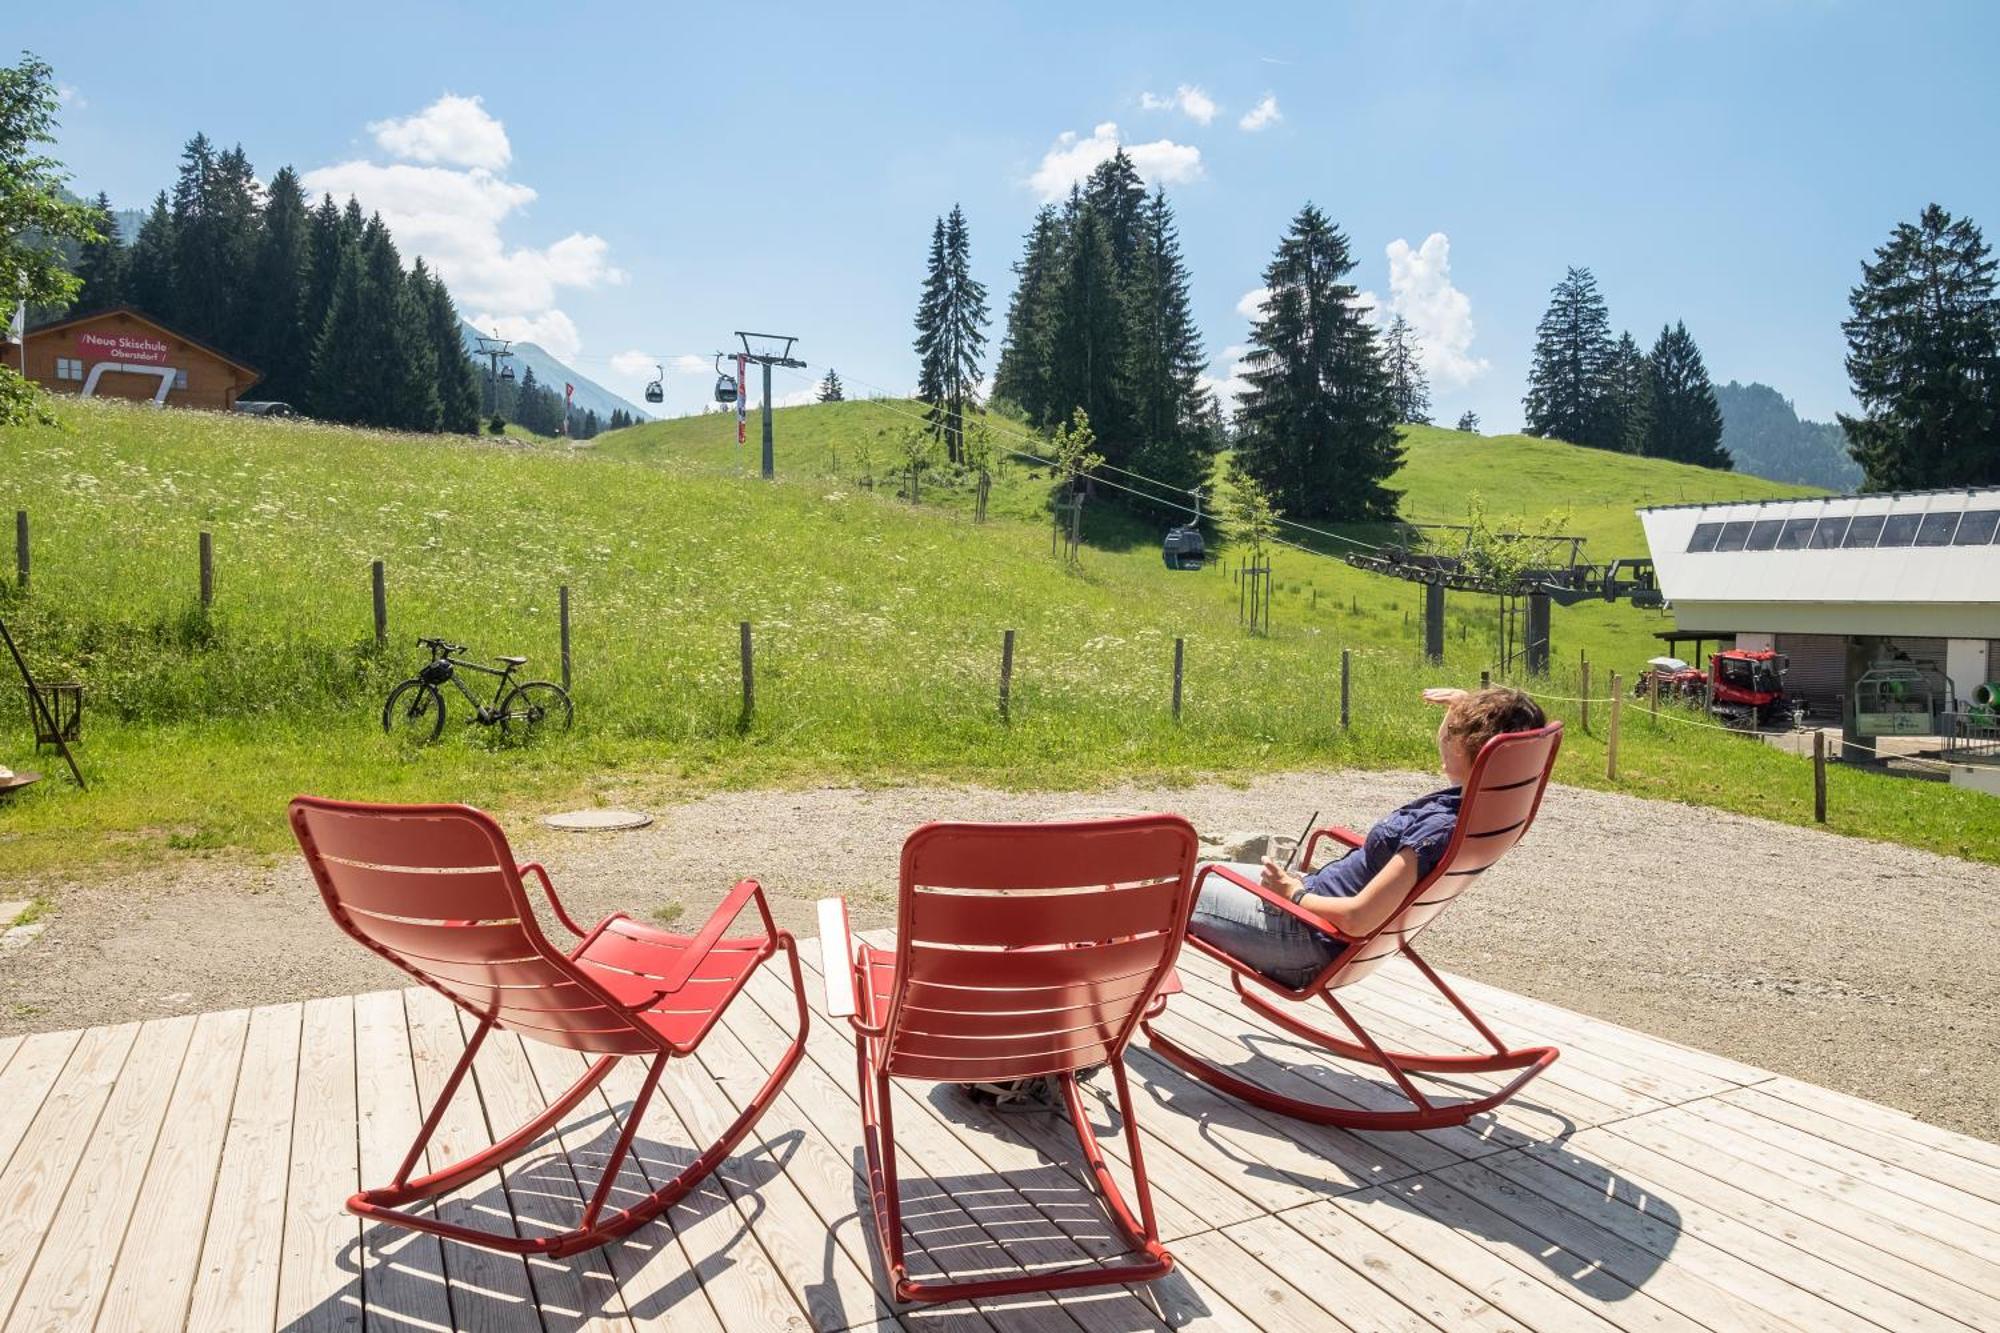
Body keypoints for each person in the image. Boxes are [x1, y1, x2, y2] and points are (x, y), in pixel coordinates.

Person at [1186, 684, 1548, 988]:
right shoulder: (1479, 806)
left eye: (1452, 732)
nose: (1444, 737)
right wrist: (1462, 710)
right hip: (1311, 909)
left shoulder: (1436, 832)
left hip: (1306, 936)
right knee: (1193, 874)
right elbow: (1460, 756)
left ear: (1465, 748)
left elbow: (1358, 918)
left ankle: (1133, 986)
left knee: (1171, 895)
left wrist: (1293, 893)